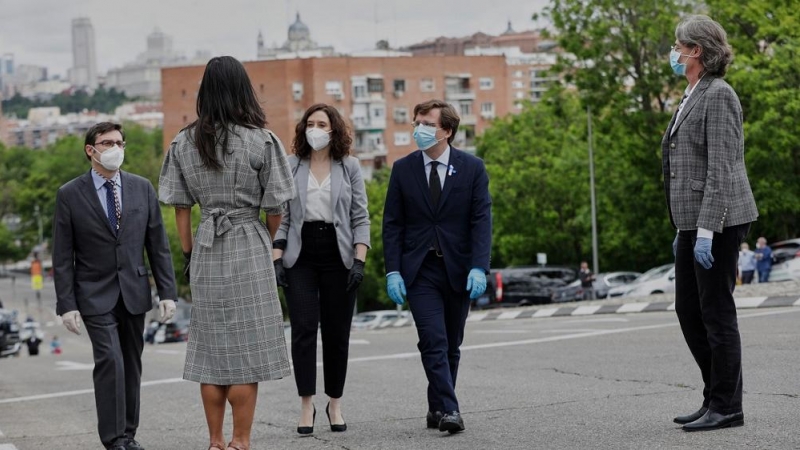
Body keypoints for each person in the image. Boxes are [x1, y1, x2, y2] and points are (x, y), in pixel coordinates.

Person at [159, 56, 295, 450]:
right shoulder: (261, 140)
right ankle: (241, 440)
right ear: (243, 89)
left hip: (206, 247)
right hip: (249, 242)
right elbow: (276, 208)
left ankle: (215, 440)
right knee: (246, 349)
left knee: (211, 349)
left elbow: (180, 207)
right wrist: (266, 240)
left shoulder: (183, 141)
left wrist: (189, 252)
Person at [52, 121, 177, 450]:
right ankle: (113, 440)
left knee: (132, 364)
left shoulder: (141, 188)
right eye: (107, 143)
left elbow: (158, 245)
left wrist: (168, 293)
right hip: (93, 294)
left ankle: (128, 434)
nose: (115, 149)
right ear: (90, 150)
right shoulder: (69, 195)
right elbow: (62, 256)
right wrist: (66, 304)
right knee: (110, 361)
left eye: (120, 143)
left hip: (134, 292)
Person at [662, 15, 758, 432]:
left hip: (718, 221)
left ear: (696, 51)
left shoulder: (718, 95)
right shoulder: (691, 93)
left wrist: (705, 230)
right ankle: (714, 396)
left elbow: (721, 168)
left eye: (679, 45)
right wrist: (682, 228)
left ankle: (727, 405)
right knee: (689, 310)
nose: (675, 51)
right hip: (691, 222)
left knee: (717, 314)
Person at [383, 99, 492, 434]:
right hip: (420, 270)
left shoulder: (472, 168)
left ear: (446, 130)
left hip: (458, 269)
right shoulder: (403, 169)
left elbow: (481, 221)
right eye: (417, 122)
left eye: (427, 123)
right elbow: (392, 224)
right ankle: (450, 408)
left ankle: (437, 407)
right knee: (433, 339)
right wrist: (393, 270)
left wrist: (479, 267)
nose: (419, 128)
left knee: (451, 344)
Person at [271, 103, 370, 435]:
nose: (315, 128)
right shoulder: (291, 165)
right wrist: (276, 257)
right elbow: (282, 216)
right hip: (301, 254)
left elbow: (360, 216)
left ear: (333, 130)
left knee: (337, 333)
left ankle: (335, 403)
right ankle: (306, 404)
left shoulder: (350, 166)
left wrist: (359, 260)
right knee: (302, 330)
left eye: (322, 123)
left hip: (338, 253)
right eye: (310, 123)